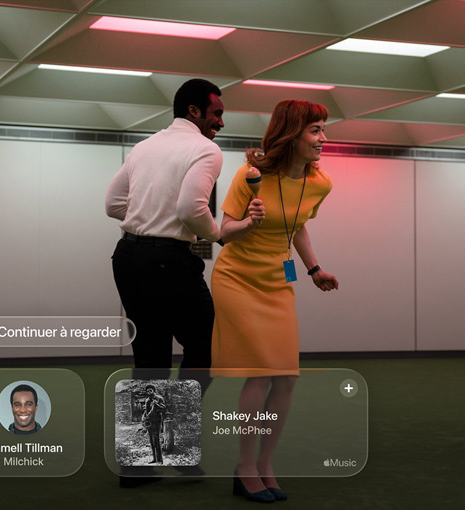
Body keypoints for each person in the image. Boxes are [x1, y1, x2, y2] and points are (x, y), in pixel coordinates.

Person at [211, 99, 339, 503]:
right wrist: (249, 222)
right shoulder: (251, 175)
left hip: (278, 281)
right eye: (315, 130)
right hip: (237, 279)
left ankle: (266, 464)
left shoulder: (320, 183)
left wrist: (314, 269)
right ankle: (244, 466)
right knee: (261, 372)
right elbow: (223, 231)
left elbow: (296, 226)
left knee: (286, 377)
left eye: (323, 129)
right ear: (291, 134)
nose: (323, 138)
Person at [106, 78, 224, 372]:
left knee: (149, 357)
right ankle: (180, 406)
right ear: (194, 111)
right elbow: (191, 209)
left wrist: (153, 218)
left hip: (127, 258)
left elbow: (113, 204)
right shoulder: (206, 149)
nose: (221, 123)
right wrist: (216, 235)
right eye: (217, 113)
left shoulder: (144, 146)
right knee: (206, 347)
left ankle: (153, 407)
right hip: (168, 262)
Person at [140, 384, 167, 464]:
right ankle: (154, 459)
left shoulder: (159, 398)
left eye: (150, 390)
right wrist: (144, 418)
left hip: (156, 421)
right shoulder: (147, 400)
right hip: (149, 422)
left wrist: (156, 404)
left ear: (154, 390)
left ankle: (160, 460)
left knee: (156, 440)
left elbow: (163, 408)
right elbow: (146, 410)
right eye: (148, 391)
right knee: (151, 441)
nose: (149, 392)